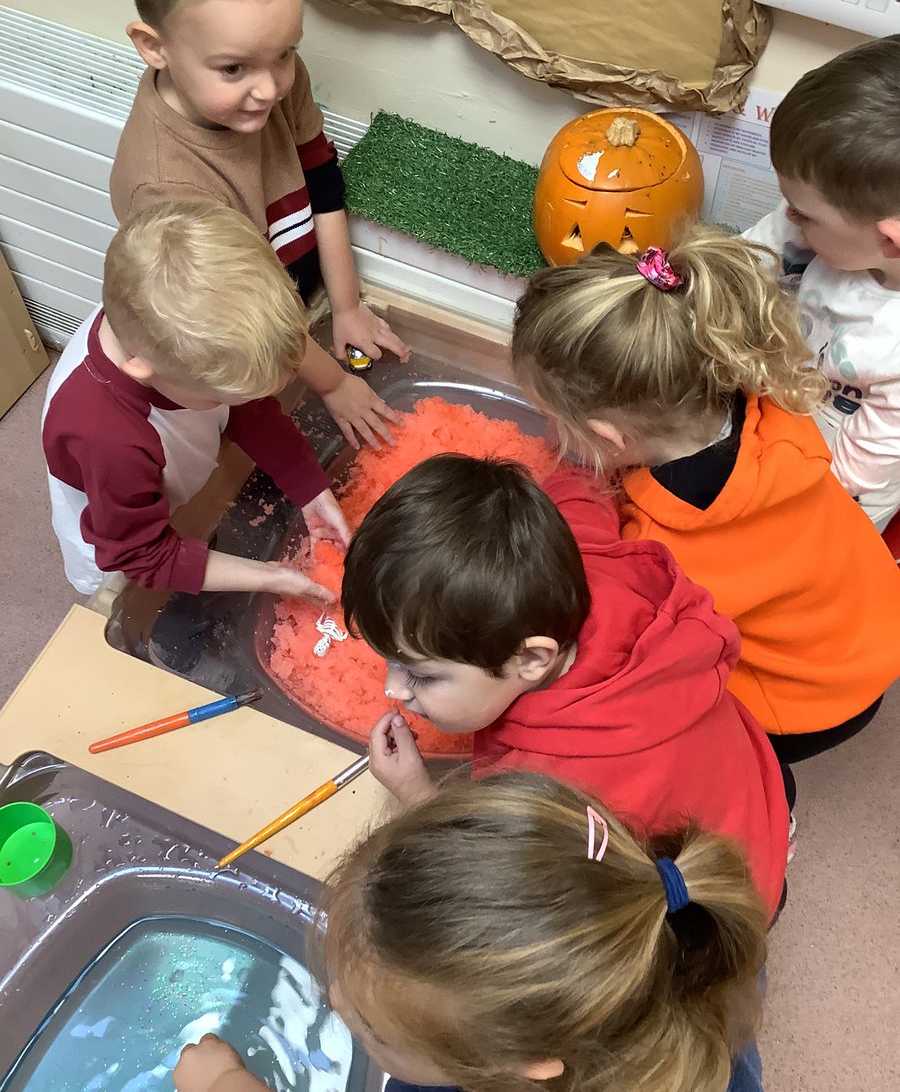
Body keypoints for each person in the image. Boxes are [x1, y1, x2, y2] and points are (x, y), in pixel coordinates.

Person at [510, 224, 900, 765]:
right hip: (873, 627)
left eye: (554, 419)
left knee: (681, 732)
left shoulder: (661, 550)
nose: (551, 433)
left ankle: (771, 805)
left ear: (607, 438)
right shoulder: (766, 402)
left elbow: (631, 652)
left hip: (809, 704)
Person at [340, 453, 789, 920]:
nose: (395, 689)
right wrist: (577, 452)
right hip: (751, 799)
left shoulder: (543, 790)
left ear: (532, 659)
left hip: (718, 913)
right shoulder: (579, 569)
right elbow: (581, 491)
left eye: (422, 674)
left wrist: (417, 797)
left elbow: (507, 888)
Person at [172, 773, 769, 1092]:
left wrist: (226, 1084)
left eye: (374, 1028)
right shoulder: (671, 950)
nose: (335, 1002)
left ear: (526, 1063)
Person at [110, 0, 409, 451]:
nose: (270, 88)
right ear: (155, 47)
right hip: (243, 338)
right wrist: (335, 383)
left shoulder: (274, 75)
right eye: (233, 68)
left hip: (292, 305)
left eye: (284, 54)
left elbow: (322, 182)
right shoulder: (167, 187)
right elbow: (236, 315)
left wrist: (345, 305)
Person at [42, 201, 350, 600]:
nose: (243, 402)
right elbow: (143, 554)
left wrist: (309, 488)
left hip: (169, 478)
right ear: (144, 369)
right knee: (123, 596)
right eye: (219, 397)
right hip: (120, 538)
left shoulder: (165, 328)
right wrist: (274, 577)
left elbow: (249, 409)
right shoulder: (107, 438)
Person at [743, 35, 900, 532]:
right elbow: (742, 266)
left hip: (841, 477)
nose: (788, 215)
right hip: (782, 403)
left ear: (890, 243)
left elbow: (852, 476)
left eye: (806, 214)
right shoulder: (808, 228)